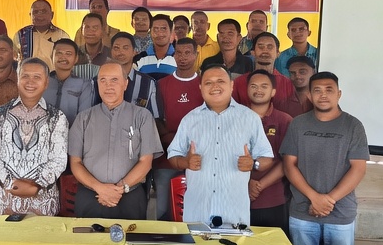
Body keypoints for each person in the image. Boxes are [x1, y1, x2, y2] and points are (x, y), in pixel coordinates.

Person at [281, 71, 369, 245]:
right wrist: (314, 198)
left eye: (329, 90)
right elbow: (289, 165)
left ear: (339, 94)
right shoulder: (298, 124)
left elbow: (358, 169)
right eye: (317, 90)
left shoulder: (353, 126)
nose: (323, 95)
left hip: (340, 213)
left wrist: (327, 201)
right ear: (309, 95)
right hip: (302, 211)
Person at [166, 65, 272, 227]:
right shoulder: (190, 119)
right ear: (200, 87)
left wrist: (254, 164)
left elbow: (267, 157)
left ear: (231, 85)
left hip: (234, 214)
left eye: (220, 81)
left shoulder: (250, 118)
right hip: (197, 213)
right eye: (208, 83)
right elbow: (173, 155)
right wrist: (185, 162)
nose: (215, 86)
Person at [67, 62, 162, 219]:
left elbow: (146, 161)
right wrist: (100, 188)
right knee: (88, 235)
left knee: (131, 234)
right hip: (91, 195)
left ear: (125, 84)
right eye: (103, 80)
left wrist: (119, 189)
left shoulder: (142, 116)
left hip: (130, 196)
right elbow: (75, 163)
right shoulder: (83, 118)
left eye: (114, 80)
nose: (108, 86)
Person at [0, 57, 69, 217]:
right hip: (4, 199)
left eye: (37, 77)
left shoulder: (57, 117)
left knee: (42, 234)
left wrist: (37, 185)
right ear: (17, 79)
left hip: (43, 201)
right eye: (25, 76)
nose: (30, 82)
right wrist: (9, 183)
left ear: (46, 83)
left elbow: (59, 159)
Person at [152, 37, 203, 219]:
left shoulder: (204, 84)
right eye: (179, 53)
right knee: (164, 210)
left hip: (200, 159)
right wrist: (175, 141)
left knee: (197, 210)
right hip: (166, 159)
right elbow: (156, 119)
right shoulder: (161, 84)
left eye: (187, 53)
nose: (183, 57)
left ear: (196, 55)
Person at [243, 69, 292, 233]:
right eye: (254, 86)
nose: (258, 90)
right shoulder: (236, 118)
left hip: (273, 198)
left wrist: (259, 186)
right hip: (239, 196)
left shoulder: (284, 120)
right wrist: (247, 183)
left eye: (264, 86)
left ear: (273, 92)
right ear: (247, 89)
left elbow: (287, 162)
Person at [232, 32, 297, 109]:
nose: (265, 51)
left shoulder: (288, 84)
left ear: (278, 53)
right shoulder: (239, 82)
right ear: (253, 52)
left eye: (270, 47)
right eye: (261, 47)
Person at [107, 32, 160, 117]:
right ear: (111, 52)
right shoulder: (99, 81)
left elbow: (155, 117)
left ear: (134, 52)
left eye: (125, 48)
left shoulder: (148, 83)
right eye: (116, 48)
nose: (120, 52)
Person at [44, 37, 96, 124]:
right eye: (59, 53)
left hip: (72, 131)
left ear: (76, 59)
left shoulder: (84, 85)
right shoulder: (42, 82)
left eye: (68, 54)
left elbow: (84, 119)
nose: (63, 57)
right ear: (51, 56)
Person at [14, 0, 69, 69]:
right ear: (30, 15)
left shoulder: (61, 36)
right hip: (28, 74)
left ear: (52, 15)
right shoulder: (21, 34)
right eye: (35, 12)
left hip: (52, 75)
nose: (39, 15)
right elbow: (13, 58)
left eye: (44, 11)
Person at [136, 13, 176, 78]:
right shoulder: (140, 58)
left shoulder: (179, 58)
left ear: (171, 32)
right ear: (150, 32)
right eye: (155, 29)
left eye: (163, 29)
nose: (159, 33)